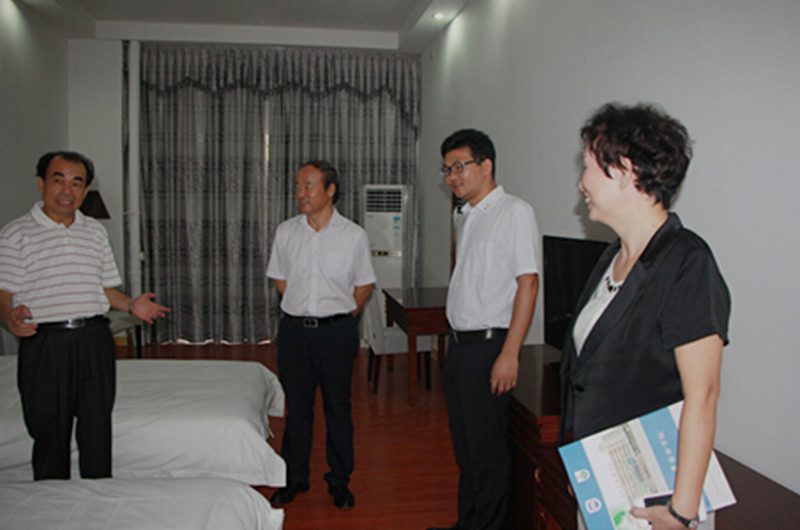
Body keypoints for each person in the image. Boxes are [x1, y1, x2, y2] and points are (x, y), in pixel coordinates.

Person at [559, 103, 731, 530]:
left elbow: (704, 394)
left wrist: (681, 512)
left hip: (657, 500)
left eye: (588, 167)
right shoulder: (611, 258)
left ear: (625, 169)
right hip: (607, 484)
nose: (581, 183)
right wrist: (582, 465)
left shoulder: (687, 261)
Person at [0, 150, 170, 480]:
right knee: (49, 431)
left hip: (94, 339)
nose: (67, 190)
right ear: (41, 183)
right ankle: (53, 500)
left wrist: (131, 305)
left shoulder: (94, 231)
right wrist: (10, 316)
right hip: (46, 343)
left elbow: (104, 289)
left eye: (76, 183)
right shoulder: (15, 234)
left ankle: (98, 495)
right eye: (58, 180)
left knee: (96, 428)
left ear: (85, 189)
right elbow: (3, 293)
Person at [428, 129, 540, 530]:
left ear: (486, 165)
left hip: (489, 348)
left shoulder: (514, 212)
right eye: (447, 170)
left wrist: (510, 354)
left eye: (459, 166)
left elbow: (528, 283)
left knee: (488, 454)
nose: (452, 177)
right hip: (460, 347)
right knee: (467, 450)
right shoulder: (467, 215)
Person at [267, 160, 375, 510]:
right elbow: (280, 278)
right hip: (295, 333)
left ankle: (339, 481)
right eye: (298, 186)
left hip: (336, 334)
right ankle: (294, 479)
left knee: (337, 409)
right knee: (297, 409)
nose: (301, 193)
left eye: (308, 186)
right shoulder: (286, 232)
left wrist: (339, 314)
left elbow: (364, 285)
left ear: (330, 190)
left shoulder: (353, 235)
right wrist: (303, 307)